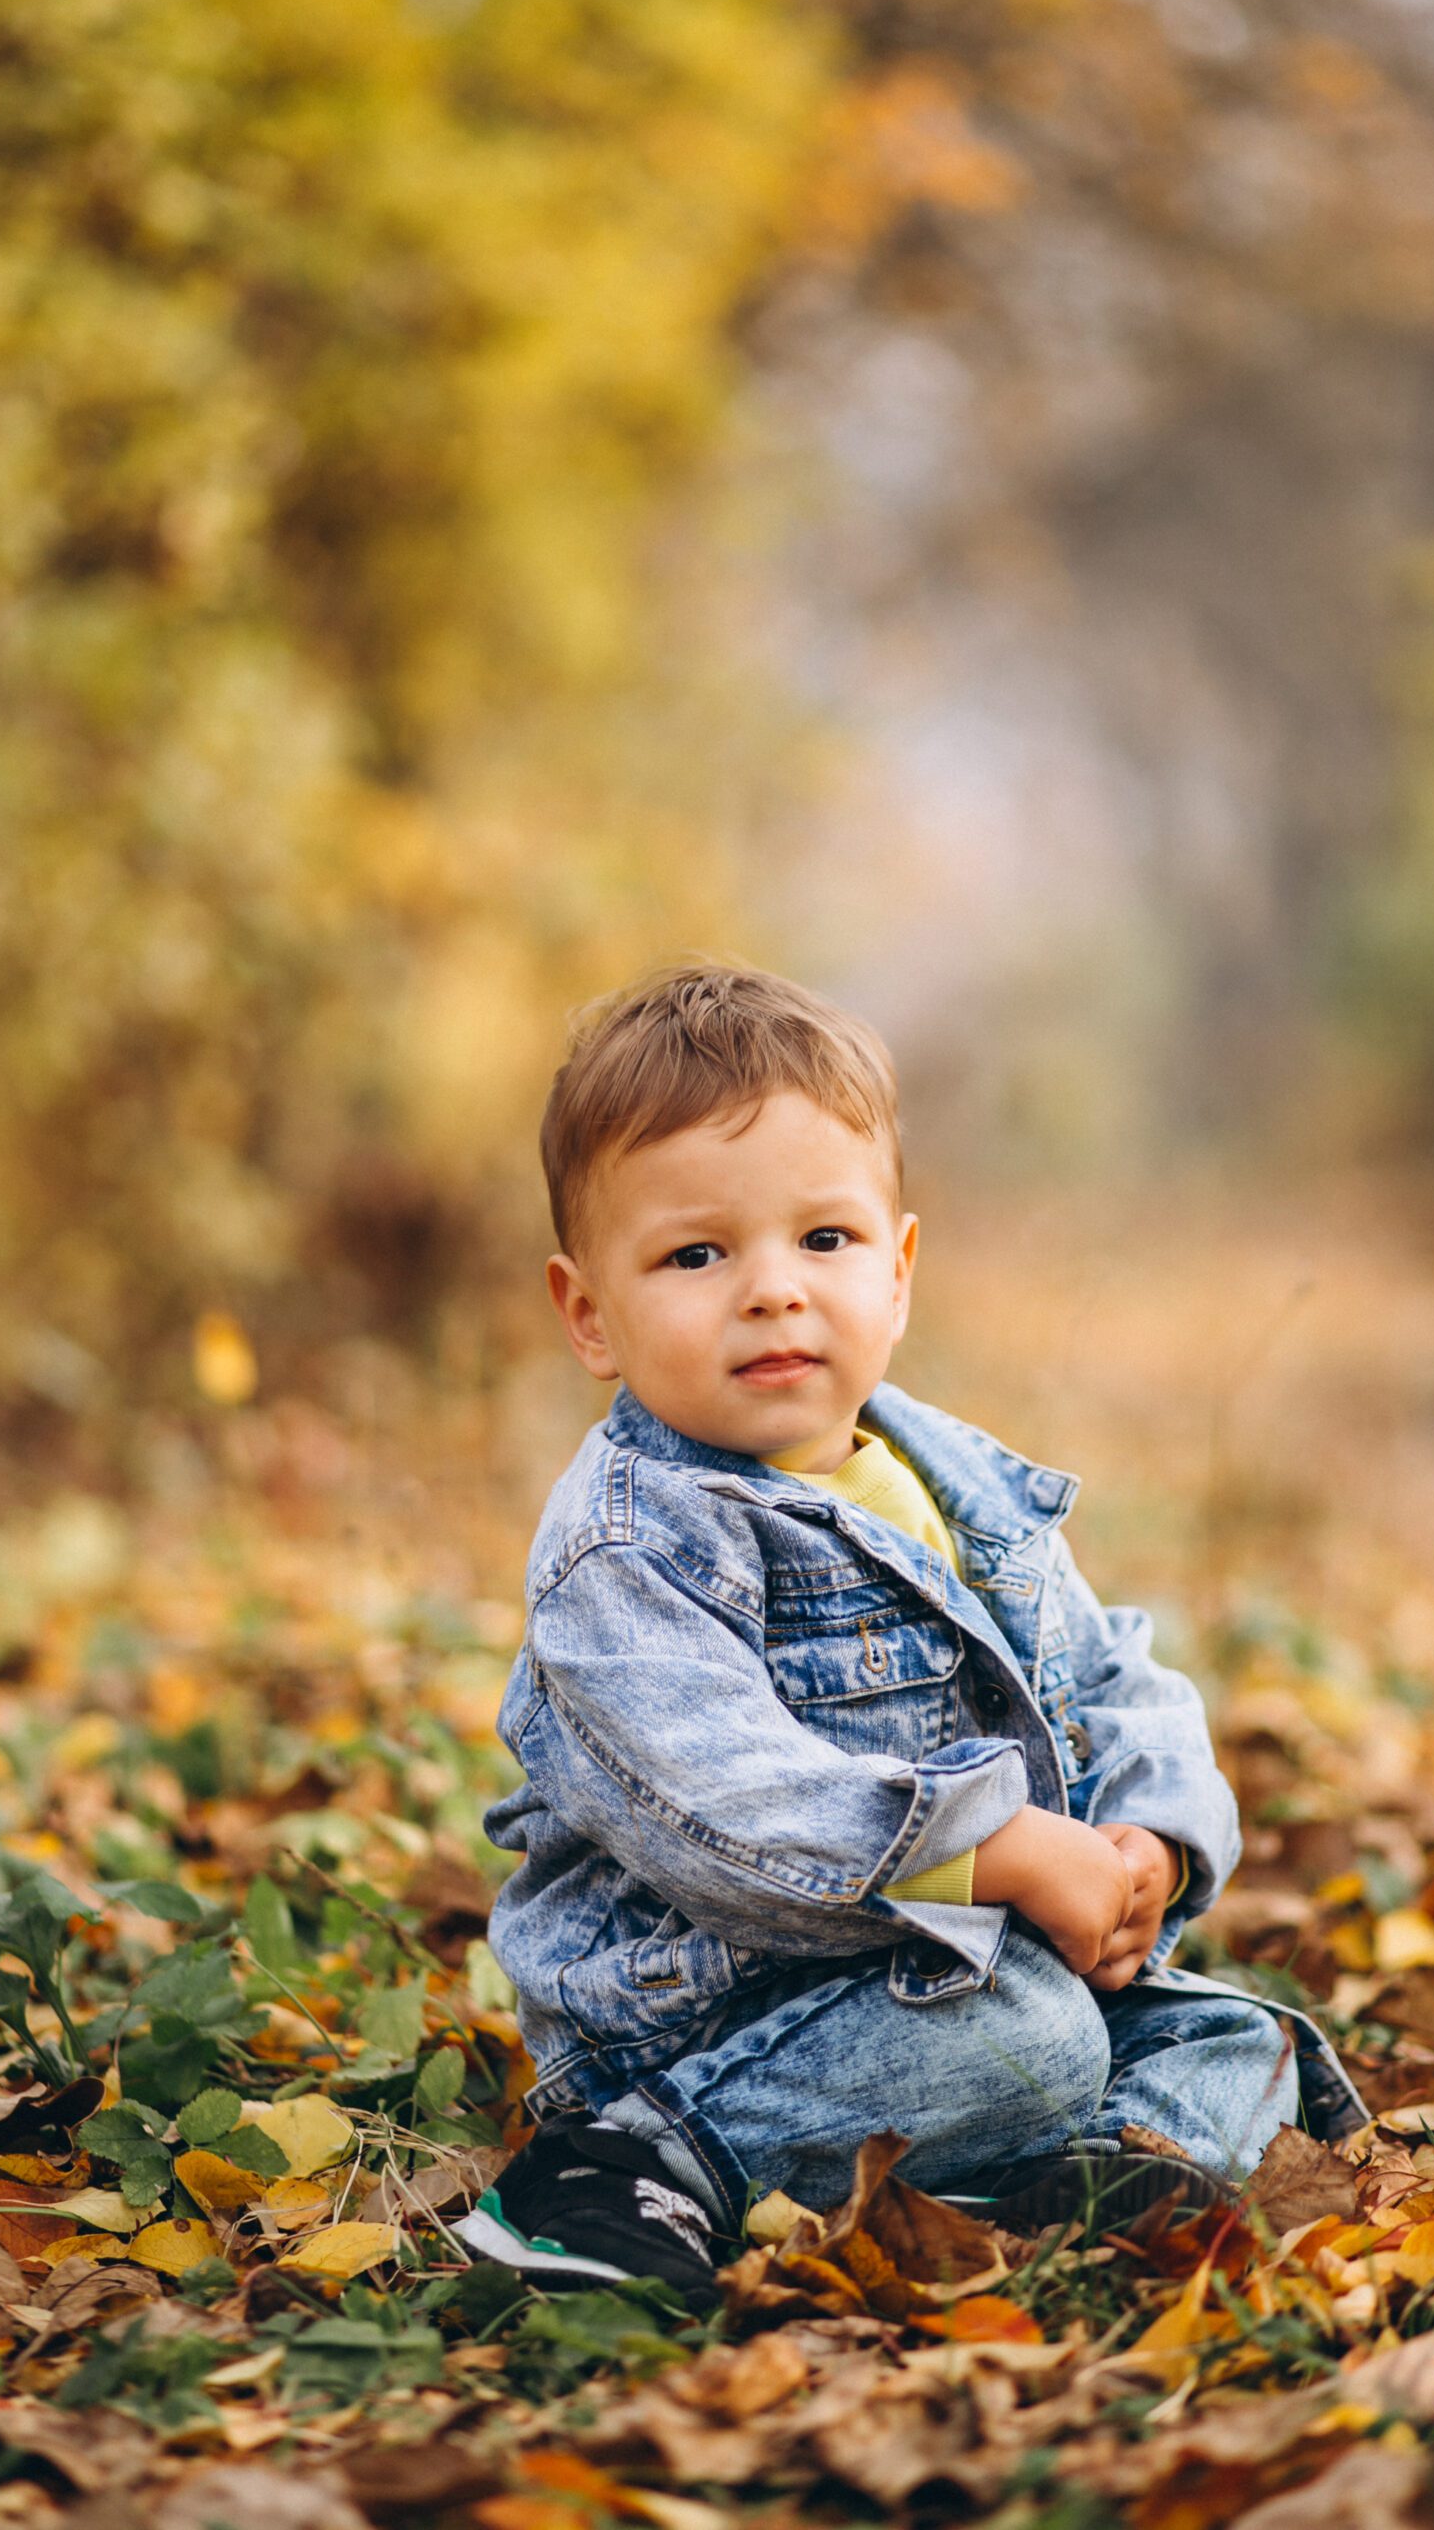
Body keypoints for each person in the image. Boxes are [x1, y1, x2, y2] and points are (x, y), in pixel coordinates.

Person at [455, 967, 1361, 2308]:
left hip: (957, 1976)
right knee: (1036, 2037)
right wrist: (989, 1853)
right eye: (697, 1255)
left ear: (898, 1270)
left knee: (1254, 2047)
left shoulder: (957, 1483)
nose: (772, 1291)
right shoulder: (626, 1547)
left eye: (822, 1240)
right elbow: (725, 1813)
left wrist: (1148, 1840)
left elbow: (1105, 1672)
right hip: (713, 2018)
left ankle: (1088, 2173)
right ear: (589, 1312)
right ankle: (625, 2169)